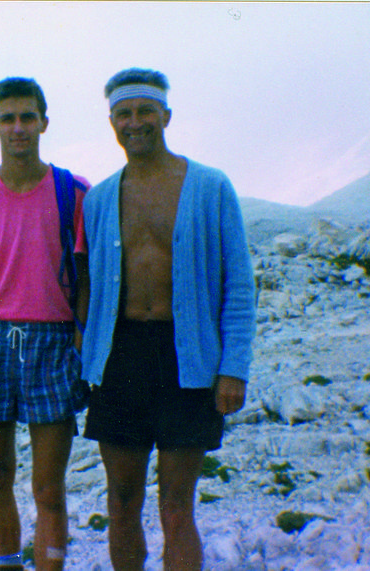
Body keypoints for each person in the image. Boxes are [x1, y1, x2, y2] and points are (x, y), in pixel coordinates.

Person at [75, 68, 256, 570]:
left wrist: (234, 367)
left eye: (145, 112)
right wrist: (84, 360)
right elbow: (89, 286)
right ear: (112, 121)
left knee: (177, 507)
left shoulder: (210, 187)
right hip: (119, 358)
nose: (135, 123)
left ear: (165, 116)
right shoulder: (98, 199)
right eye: (124, 114)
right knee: (121, 502)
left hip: (190, 358)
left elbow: (238, 286)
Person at [0, 77, 90, 571]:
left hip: (52, 341)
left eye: (28, 117)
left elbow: (86, 278)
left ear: (44, 123)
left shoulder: (74, 192)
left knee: (49, 485)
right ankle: (8, 563)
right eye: (7, 118)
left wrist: (79, 343)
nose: (18, 128)